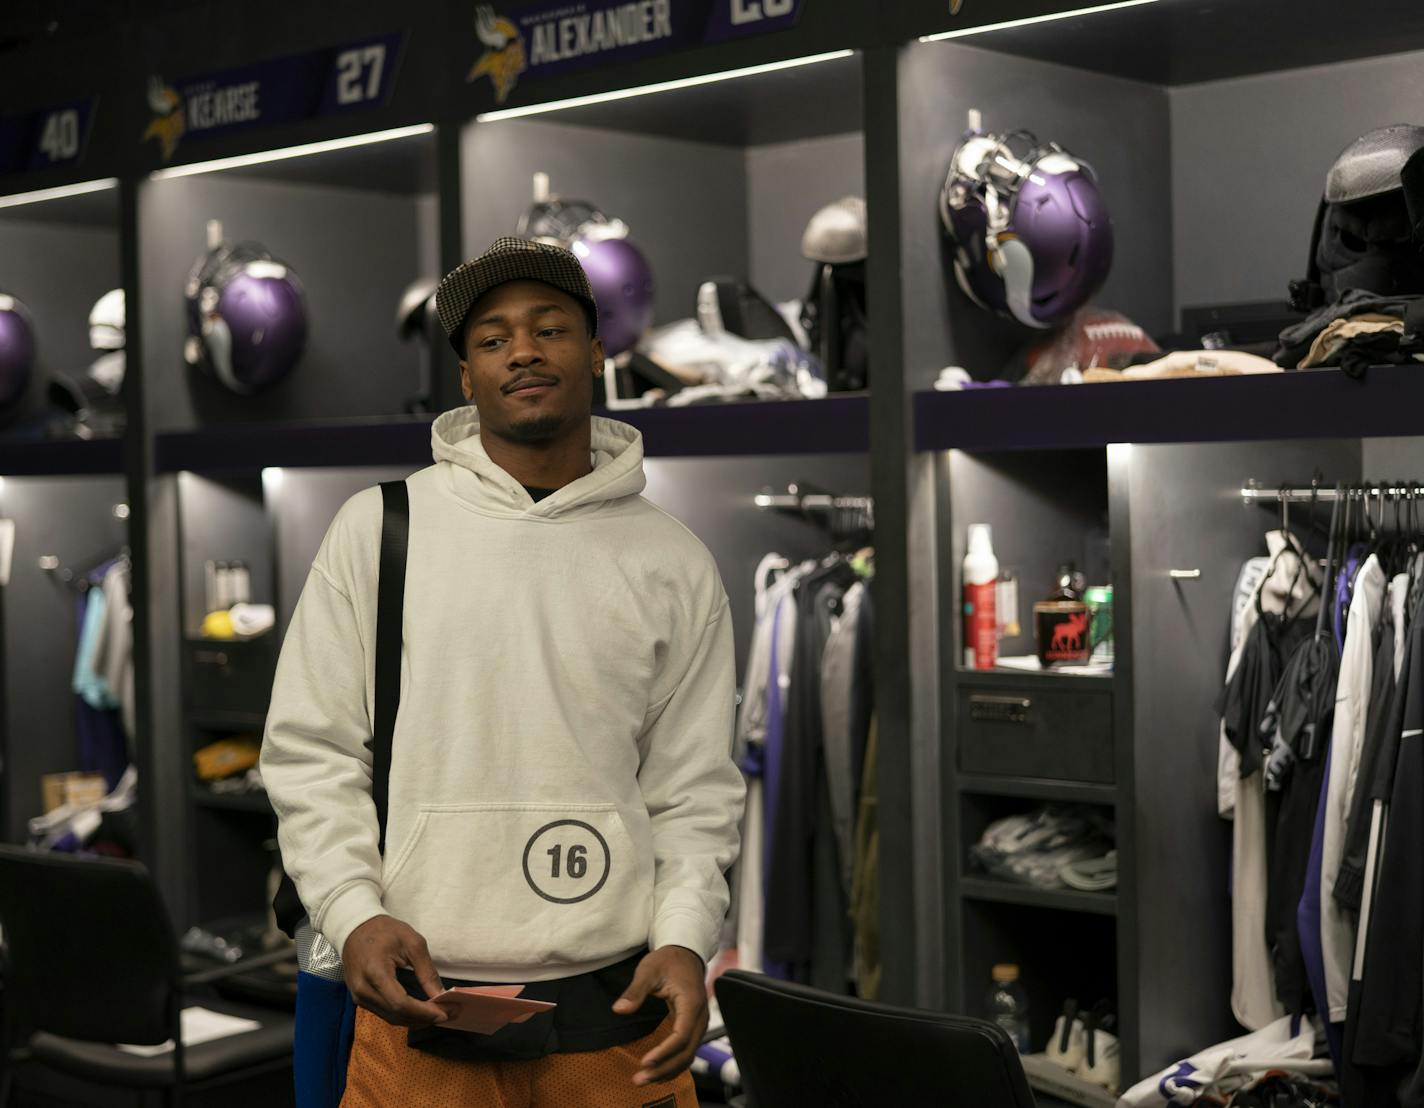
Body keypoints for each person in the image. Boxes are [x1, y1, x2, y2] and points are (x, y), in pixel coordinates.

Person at [261, 236, 745, 1106]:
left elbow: (694, 789)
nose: (522, 350)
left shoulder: (672, 561)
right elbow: (312, 752)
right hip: (422, 1006)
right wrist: (352, 912)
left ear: (596, 352)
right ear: (467, 375)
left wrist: (684, 935)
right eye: (491, 339)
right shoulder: (381, 529)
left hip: (618, 1012)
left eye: (550, 328)